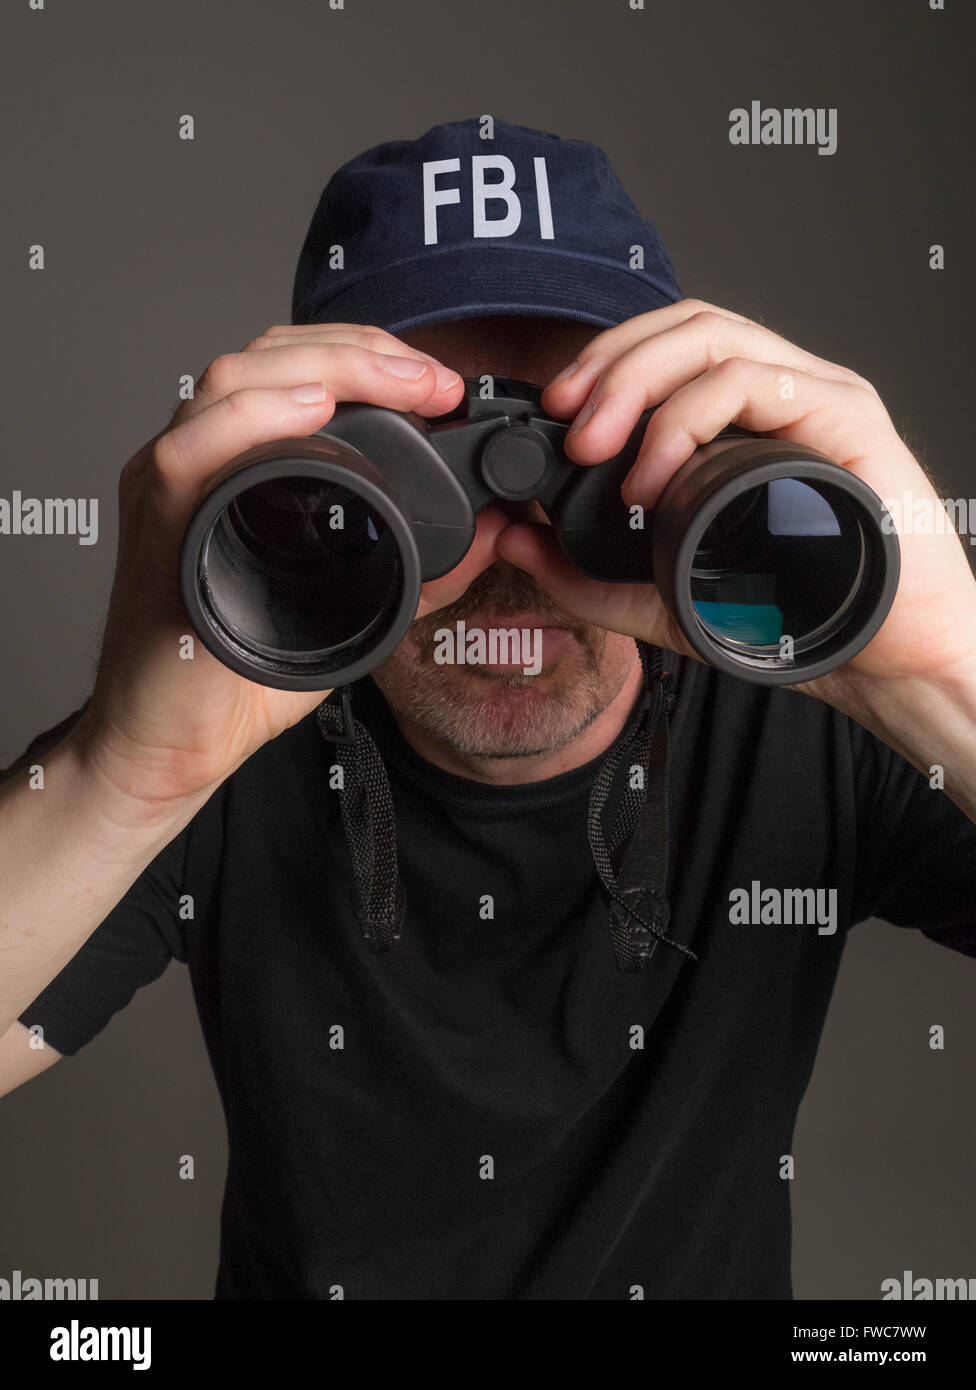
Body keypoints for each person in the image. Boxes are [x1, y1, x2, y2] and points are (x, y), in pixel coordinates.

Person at [1, 117, 975, 1300]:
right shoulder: (227, 731)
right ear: (309, 465)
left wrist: (946, 680)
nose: (510, 544)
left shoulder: (805, 701)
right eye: (421, 464)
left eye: (589, 456)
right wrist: (125, 772)